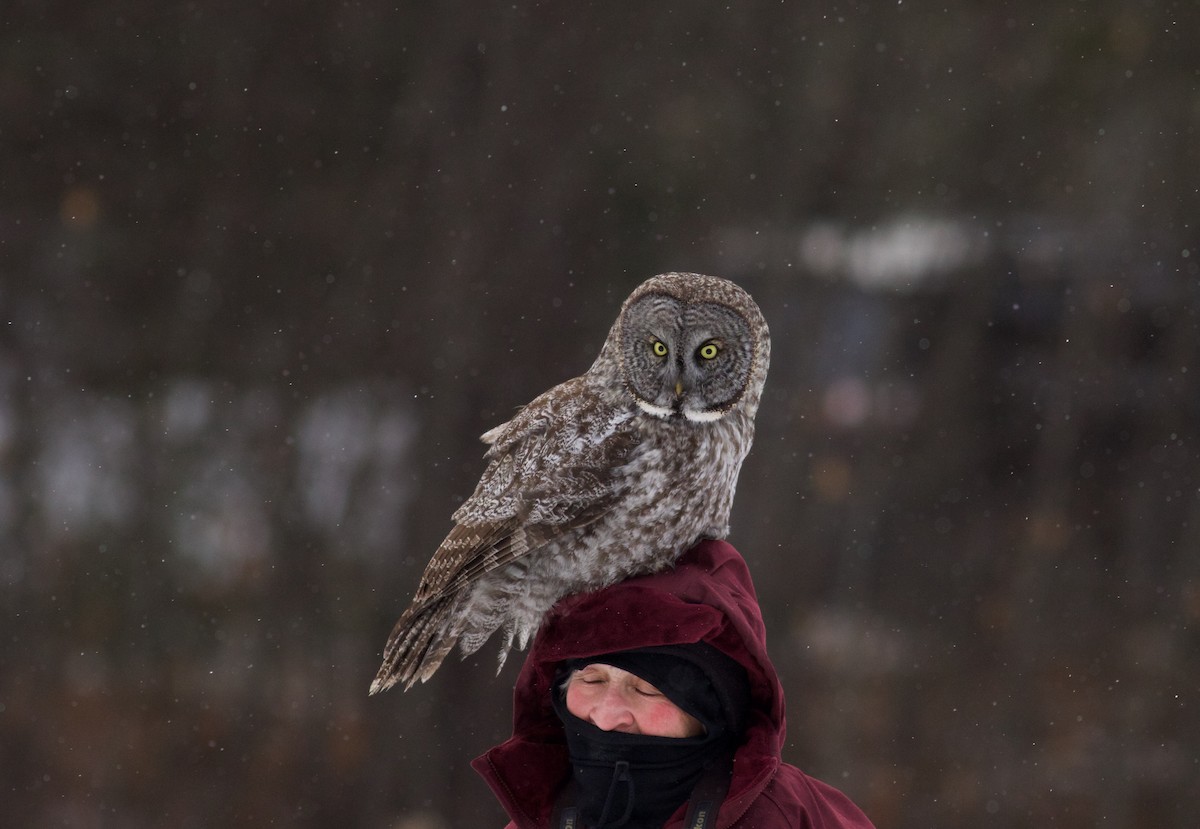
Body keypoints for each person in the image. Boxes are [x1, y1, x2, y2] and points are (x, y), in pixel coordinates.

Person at [472, 539, 876, 829]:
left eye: (647, 688)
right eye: (591, 678)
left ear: (713, 710)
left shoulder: (793, 816)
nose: (608, 715)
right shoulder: (540, 817)